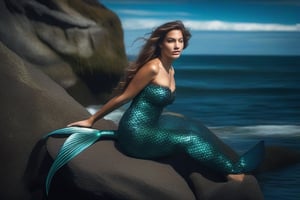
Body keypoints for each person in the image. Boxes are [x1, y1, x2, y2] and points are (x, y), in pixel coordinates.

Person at [44, 20, 264, 195]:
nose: (177, 45)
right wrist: (91, 120)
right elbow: (123, 97)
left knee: (192, 125)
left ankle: (228, 159)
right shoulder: (152, 68)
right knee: (190, 139)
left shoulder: (171, 70)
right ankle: (233, 169)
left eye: (180, 41)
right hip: (136, 134)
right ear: (160, 43)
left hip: (153, 123)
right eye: (171, 41)